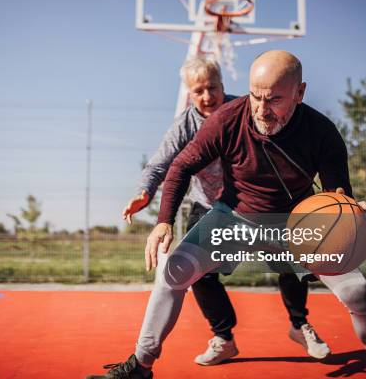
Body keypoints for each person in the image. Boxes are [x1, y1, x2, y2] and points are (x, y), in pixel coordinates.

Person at [87, 50, 366, 379]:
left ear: (300, 93)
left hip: (297, 224)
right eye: (256, 96)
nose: (261, 109)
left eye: (273, 100)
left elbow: (338, 196)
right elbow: (181, 165)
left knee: (357, 292)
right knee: (171, 272)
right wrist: (163, 221)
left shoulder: (321, 132)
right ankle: (140, 366)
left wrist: (353, 215)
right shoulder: (228, 118)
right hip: (234, 219)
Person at [121, 56, 329, 366]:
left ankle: (299, 325)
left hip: (260, 206)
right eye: (198, 91)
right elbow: (162, 163)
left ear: (223, 85)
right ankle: (223, 336)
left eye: (213, 87)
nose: (207, 97)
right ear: (189, 93)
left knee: (290, 266)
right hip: (209, 206)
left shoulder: (248, 111)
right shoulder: (185, 125)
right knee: (197, 274)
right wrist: (145, 191)